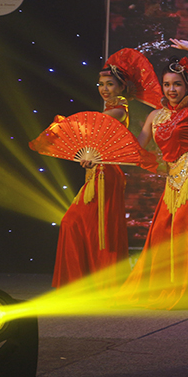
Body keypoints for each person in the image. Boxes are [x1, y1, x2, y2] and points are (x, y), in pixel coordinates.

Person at [119, 39, 188, 309]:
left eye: (177, 84)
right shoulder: (155, 116)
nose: (171, 89)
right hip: (172, 179)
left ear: (186, 87)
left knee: (187, 233)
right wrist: (102, 155)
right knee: (163, 233)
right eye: (166, 84)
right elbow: (135, 149)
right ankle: (165, 286)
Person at [52, 56, 145, 288]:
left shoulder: (119, 110)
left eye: (110, 84)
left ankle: (98, 283)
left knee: (89, 227)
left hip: (106, 176)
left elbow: (94, 127)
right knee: (83, 226)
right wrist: (88, 155)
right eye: (101, 84)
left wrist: (66, 127)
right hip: (97, 174)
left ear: (121, 87)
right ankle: (85, 282)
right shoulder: (109, 110)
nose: (104, 89)